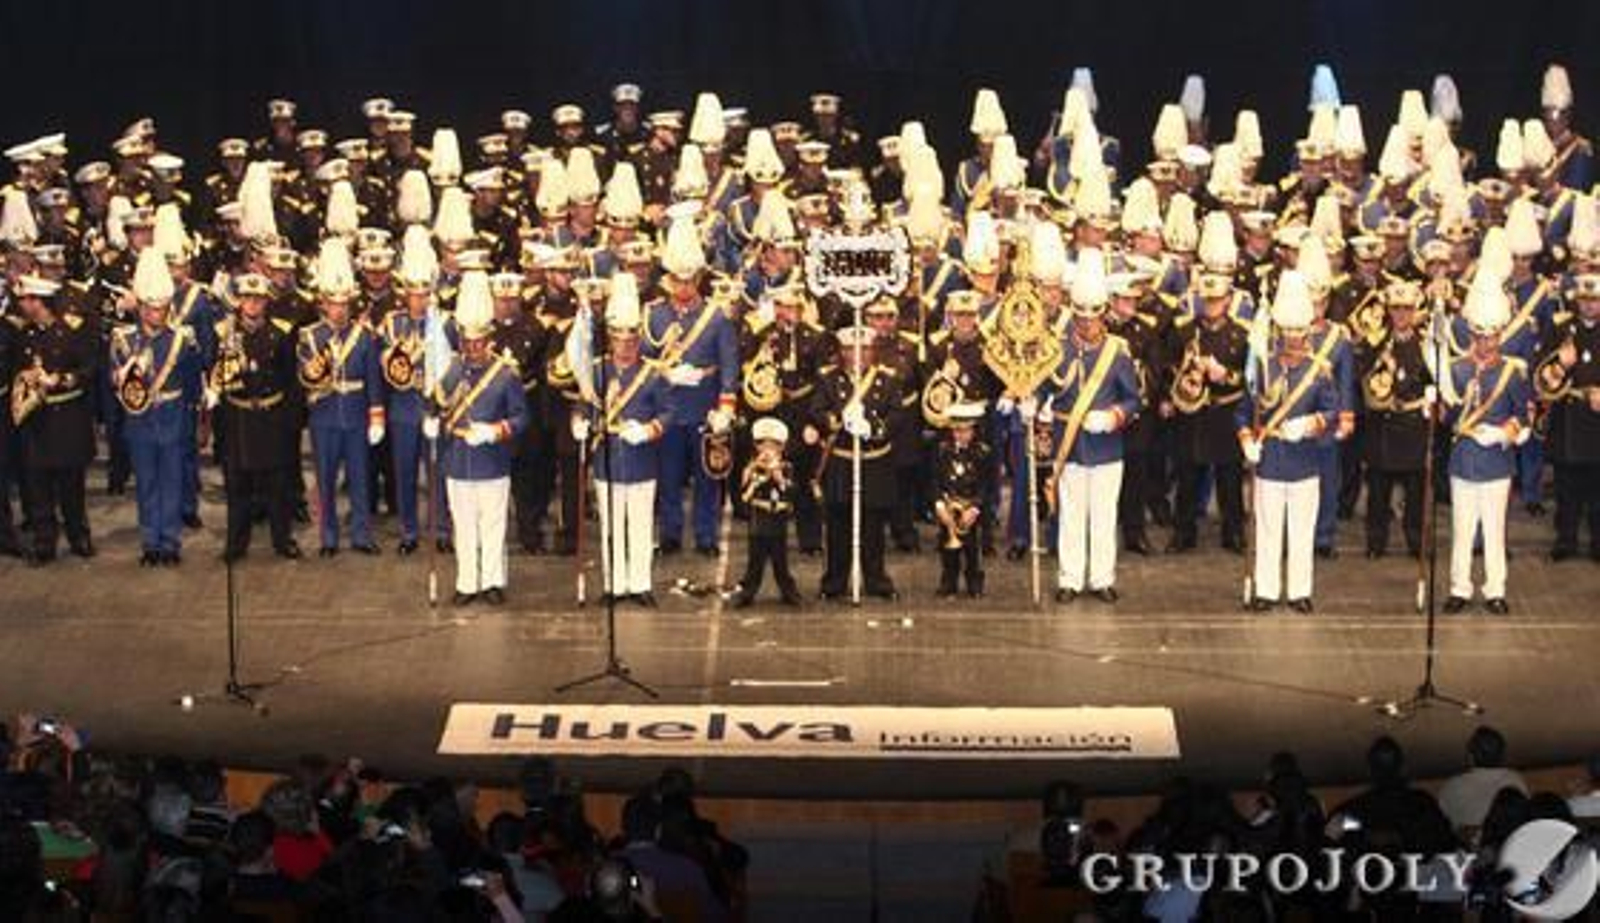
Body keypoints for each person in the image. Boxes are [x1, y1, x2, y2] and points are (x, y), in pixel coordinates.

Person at [1238, 271, 1339, 613]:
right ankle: (1266, 589)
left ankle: (1299, 591)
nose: (1294, 339)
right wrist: (1247, 440)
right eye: (1288, 332)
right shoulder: (1262, 366)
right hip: (1269, 459)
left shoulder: (1319, 370)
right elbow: (1244, 412)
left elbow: (1332, 412)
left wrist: (1310, 424)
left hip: (1304, 461)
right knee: (1267, 530)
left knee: (1301, 531)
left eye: (1299, 331)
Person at [1046, 250, 1141, 603]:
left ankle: (1102, 578)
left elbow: (1133, 400)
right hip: (1069, 445)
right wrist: (1032, 403)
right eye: (1080, 319)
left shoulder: (1117, 352)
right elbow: (1043, 386)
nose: (1086, 326)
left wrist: (1113, 416)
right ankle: (1069, 579)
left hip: (1106, 448)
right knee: (1071, 515)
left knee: (1103, 515)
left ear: (1103, 316)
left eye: (1092, 319)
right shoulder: (1058, 349)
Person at [644, 215, 739, 557]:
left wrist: (725, 406)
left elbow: (729, 363)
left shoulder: (717, 316)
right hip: (668, 407)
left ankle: (705, 535)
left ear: (698, 279)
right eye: (678, 281)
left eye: (689, 281)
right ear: (669, 280)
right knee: (668, 475)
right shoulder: (653, 315)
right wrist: (665, 375)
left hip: (704, 405)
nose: (684, 288)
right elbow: (644, 361)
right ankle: (670, 534)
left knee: (707, 476)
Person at [434, 271, 528, 606]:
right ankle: (467, 582)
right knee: (463, 525)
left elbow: (521, 417)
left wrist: (494, 431)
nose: (472, 348)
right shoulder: (450, 370)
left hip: (491, 458)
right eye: (467, 342)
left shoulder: (505, 374)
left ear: (488, 338)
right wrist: (432, 421)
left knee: (493, 523)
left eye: (478, 342)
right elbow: (437, 405)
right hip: (458, 458)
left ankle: (492, 580)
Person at [576, 273, 669, 607]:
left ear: (639, 340)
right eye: (619, 340)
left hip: (642, 459)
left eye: (631, 341)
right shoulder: (598, 370)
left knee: (641, 525)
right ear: (611, 340)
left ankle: (640, 584)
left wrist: (648, 430)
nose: (626, 347)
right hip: (609, 458)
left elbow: (668, 412)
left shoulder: (652, 373)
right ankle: (614, 585)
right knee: (612, 526)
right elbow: (584, 403)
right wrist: (579, 421)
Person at [1443, 275, 1531, 614]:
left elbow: (1524, 416)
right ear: (1472, 336)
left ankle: (1496, 589)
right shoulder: (1456, 369)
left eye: (1492, 337)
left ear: (1499, 336)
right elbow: (1449, 418)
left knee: (1494, 530)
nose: (1486, 343)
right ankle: (1459, 588)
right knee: (1462, 529)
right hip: (1464, 458)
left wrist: (1503, 433)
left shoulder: (1512, 372)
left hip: (1496, 461)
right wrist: (1434, 405)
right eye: (1480, 337)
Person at [110, 247, 200, 565]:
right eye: (151, 309)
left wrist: (196, 419)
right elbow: (114, 382)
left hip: (173, 417)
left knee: (172, 482)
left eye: (162, 309)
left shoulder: (182, 339)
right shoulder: (123, 340)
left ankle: (170, 542)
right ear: (141, 307)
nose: (157, 315)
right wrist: (123, 374)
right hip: (140, 420)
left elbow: (192, 383)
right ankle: (150, 541)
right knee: (146, 483)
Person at [297, 241, 385, 556]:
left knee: (360, 479)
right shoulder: (310, 336)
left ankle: (361, 535)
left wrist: (376, 416)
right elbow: (304, 377)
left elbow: (374, 379)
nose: (340, 310)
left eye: (345, 304)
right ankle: (328, 537)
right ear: (323, 304)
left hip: (357, 414)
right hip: (325, 415)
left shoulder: (364, 336)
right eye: (334, 304)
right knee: (325, 480)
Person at [209, 273, 302, 560]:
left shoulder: (282, 332)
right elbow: (215, 375)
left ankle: (282, 540)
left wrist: (292, 423)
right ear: (239, 301)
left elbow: (291, 381)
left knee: (277, 487)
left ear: (266, 301)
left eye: (258, 299)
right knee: (237, 487)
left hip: (272, 417)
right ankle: (236, 544)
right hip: (238, 418)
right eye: (247, 298)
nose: (252, 304)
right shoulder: (223, 333)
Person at [809, 325, 903, 601]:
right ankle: (834, 583)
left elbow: (897, 415)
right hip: (843, 461)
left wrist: (873, 428)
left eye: (864, 350)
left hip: (874, 462)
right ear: (842, 352)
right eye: (851, 350)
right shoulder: (828, 379)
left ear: (873, 352)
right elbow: (816, 410)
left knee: (873, 527)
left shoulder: (887, 379)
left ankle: (876, 581)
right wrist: (838, 420)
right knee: (838, 526)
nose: (858, 355)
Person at [12, 273, 97, 565]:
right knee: (38, 485)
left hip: (67, 415)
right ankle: (44, 541)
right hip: (36, 419)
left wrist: (64, 379)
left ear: (40, 302)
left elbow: (89, 367)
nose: (22, 304)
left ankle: (78, 535)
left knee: (71, 484)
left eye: (27, 299)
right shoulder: (24, 334)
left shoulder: (71, 330)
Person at [1358, 281, 1433, 558]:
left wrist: (1431, 398)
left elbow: (1435, 379)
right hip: (1383, 424)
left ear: (1415, 311)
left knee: (1416, 492)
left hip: (1413, 424)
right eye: (1396, 309)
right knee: (1378, 491)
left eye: (1407, 309)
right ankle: (1375, 543)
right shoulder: (1376, 340)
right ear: (1388, 310)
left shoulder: (1426, 343)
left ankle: (1416, 541)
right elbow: (1361, 373)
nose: (1401, 314)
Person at [1533, 272, 1600, 561]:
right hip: (1567, 418)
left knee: (1598, 491)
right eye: (1584, 299)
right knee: (1566, 488)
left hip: (1597, 421)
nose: (1589, 305)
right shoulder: (1561, 328)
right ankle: (1565, 541)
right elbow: (1539, 375)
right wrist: (1560, 364)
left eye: (1594, 300)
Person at [731, 416, 801, 608]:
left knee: (780, 561)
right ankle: (748, 592)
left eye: (773, 445)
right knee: (755, 561)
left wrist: (779, 477)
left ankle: (789, 591)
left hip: (777, 518)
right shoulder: (752, 468)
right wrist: (755, 475)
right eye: (763, 445)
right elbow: (743, 493)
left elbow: (792, 492)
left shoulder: (786, 467)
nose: (768, 450)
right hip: (758, 519)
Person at [933, 402, 989, 598]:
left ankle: (974, 581)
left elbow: (985, 485)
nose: (960, 435)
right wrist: (939, 504)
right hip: (949, 506)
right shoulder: (942, 451)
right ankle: (949, 581)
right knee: (947, 548)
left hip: (970, 507)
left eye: (965, 431)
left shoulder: (982, 453)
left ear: (973, 430)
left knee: (973, 549)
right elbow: (935, 480)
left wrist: (974, 508)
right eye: (956, 430)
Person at [1436, 726, 1528, 834]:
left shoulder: (1452, 787)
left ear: (1470, 756)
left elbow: (1441, 826)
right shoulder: (1515, 780)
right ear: (1502, 755)